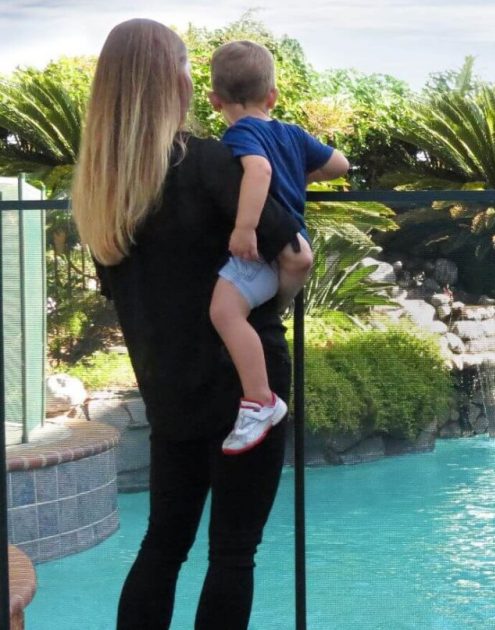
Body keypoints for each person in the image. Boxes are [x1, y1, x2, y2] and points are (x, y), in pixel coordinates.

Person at [71, 19, 297, 629]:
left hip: (167, 389)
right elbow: (292, 252)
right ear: (171, 78)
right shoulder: (211, 163)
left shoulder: (102, 191)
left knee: (163, 546)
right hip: (245, 390)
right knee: (232, 553)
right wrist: (282, 295)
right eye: (185, 63)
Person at [207, 40, 349, 454]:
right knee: (255, 312)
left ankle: (259, 400)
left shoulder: (239, 134)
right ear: (272, 96)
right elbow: (339, 164)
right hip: (290, 245)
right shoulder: (290, 133)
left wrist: (245, 228)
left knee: (223, 311)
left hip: (266, 248)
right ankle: (261, 395)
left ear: (215, 100)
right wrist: (301, 180)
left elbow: (260, 169)